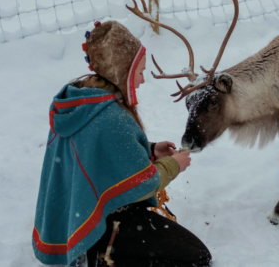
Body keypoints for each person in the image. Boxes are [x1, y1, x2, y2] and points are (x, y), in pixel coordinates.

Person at [32, 20, 211, 267]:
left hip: (76, 220)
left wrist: (149, 149)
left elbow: (99, 152)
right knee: (197, 257)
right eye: (139, 72)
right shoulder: (112, 117)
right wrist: (174, 164)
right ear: (122, 72)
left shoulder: (82, 102)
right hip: (105, 225)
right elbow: (144, 182)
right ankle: (104, 257)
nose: (142, 81)